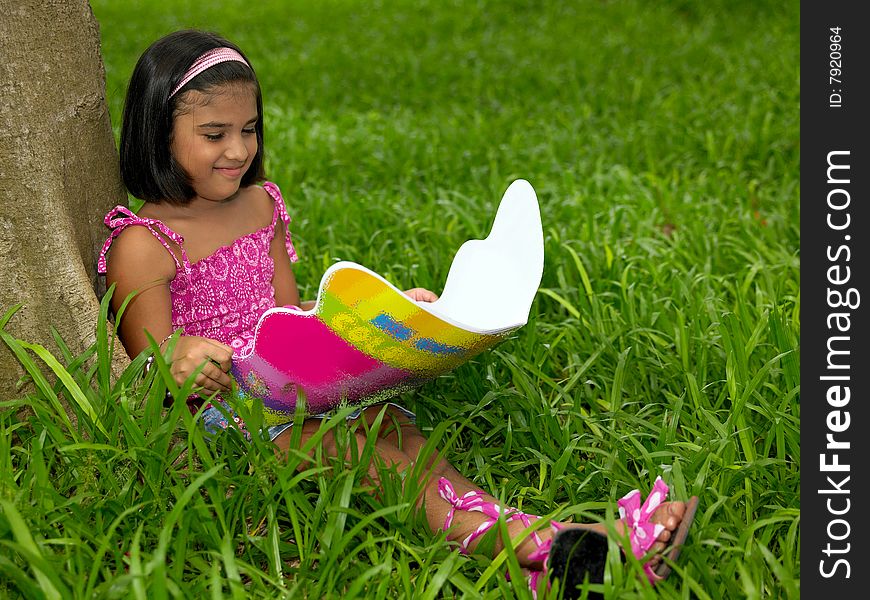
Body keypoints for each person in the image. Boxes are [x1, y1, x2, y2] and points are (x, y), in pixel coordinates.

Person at [98, 29, 698, 598]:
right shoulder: (143, 242)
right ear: (158, 132)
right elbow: (151, 361)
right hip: (230, 419)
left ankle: (547, 559)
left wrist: (386, 318)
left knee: (406, 438)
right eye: (214, 133)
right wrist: (183, 358)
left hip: (301, 390)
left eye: (249, 129)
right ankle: (576, 546)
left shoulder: (259, 203)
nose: (238, 150)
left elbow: (288, 313)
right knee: (371, 459)